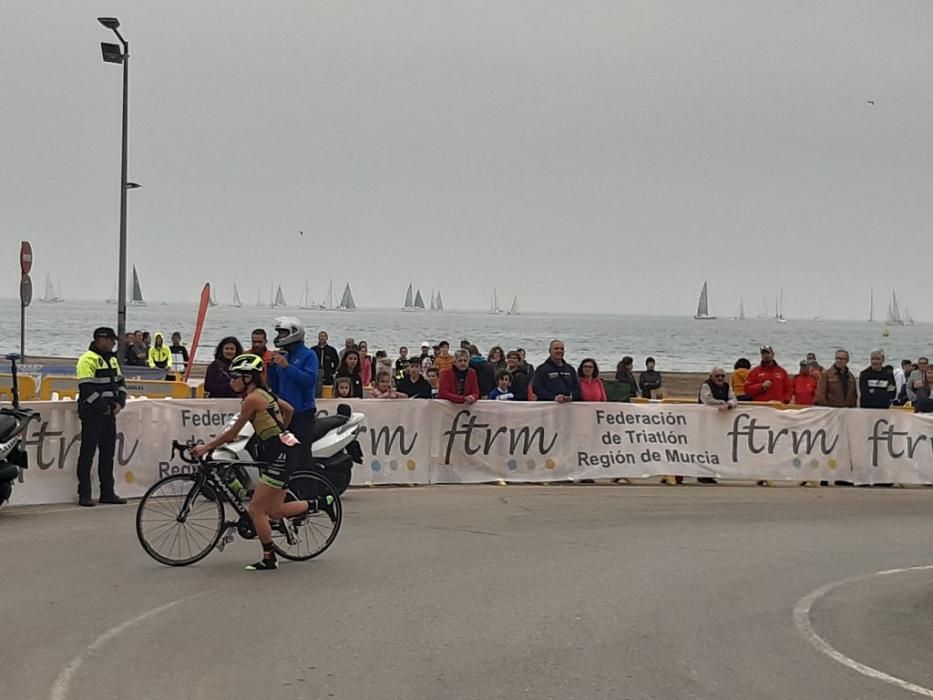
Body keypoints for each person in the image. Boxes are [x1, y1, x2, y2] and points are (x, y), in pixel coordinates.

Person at [191, 354, 321, 572]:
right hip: (283, 450)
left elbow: (233, 433)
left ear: (248, 378)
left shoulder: (252, 399)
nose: (231, 380)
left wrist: (206, 447)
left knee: (256, 509)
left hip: (280, 454)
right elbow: (288, 409)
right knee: (276, 511)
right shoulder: (264, 393)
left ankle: (269, 558)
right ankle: (320, 504)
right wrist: (280, 431)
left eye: (235, 376)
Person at [75, 327, 128, 507]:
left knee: (108, 454)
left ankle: (107, 492)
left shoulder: (112, 359)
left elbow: (121, 384)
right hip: (92, 415)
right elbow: (86, 389)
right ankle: (84, 494)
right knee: (87, 454)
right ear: (101, 339)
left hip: (109, 414)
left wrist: (120, 402)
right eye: (111, 340)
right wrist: (103, 408)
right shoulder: (86, 360)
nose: (113, 343)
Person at [268, 317, 319, 451]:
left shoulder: (309, 355)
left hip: (302, 413)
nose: (279, 336)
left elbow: (309, 381)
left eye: (283, 333)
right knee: (280, 450)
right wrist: (272, 368)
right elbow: (275, 386)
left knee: (301, 454)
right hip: (284, 413)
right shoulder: (284, 356)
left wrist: (287, 367)